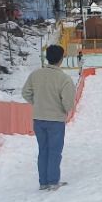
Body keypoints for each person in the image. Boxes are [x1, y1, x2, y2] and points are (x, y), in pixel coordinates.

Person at [22, 45, 76, 191]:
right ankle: (53, 181)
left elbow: (25, 93)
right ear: (61, 59)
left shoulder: (35, 75)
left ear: (47, 57)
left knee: (43, 150)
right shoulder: (64, 79)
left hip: (38, 119)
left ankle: (43, 182)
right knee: (54, 151)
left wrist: (38, 103)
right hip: (56, 120)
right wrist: (62, 109)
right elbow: (68, 103)